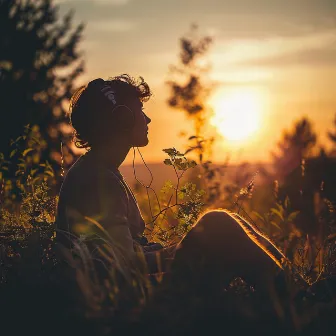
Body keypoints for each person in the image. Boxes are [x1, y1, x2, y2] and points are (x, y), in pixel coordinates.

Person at [55, 74, 286, 293]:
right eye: (140, 111)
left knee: (229, 221)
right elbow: (124, 264)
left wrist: (172, 250)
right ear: (122, 119)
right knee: (217, 223)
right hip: (135, 303)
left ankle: (295, 285)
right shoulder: (98, 179)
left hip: (135, 290)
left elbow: (121, 250)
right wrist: (177, 251)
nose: (147, 119)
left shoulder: (99, 170)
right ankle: (296, 294)